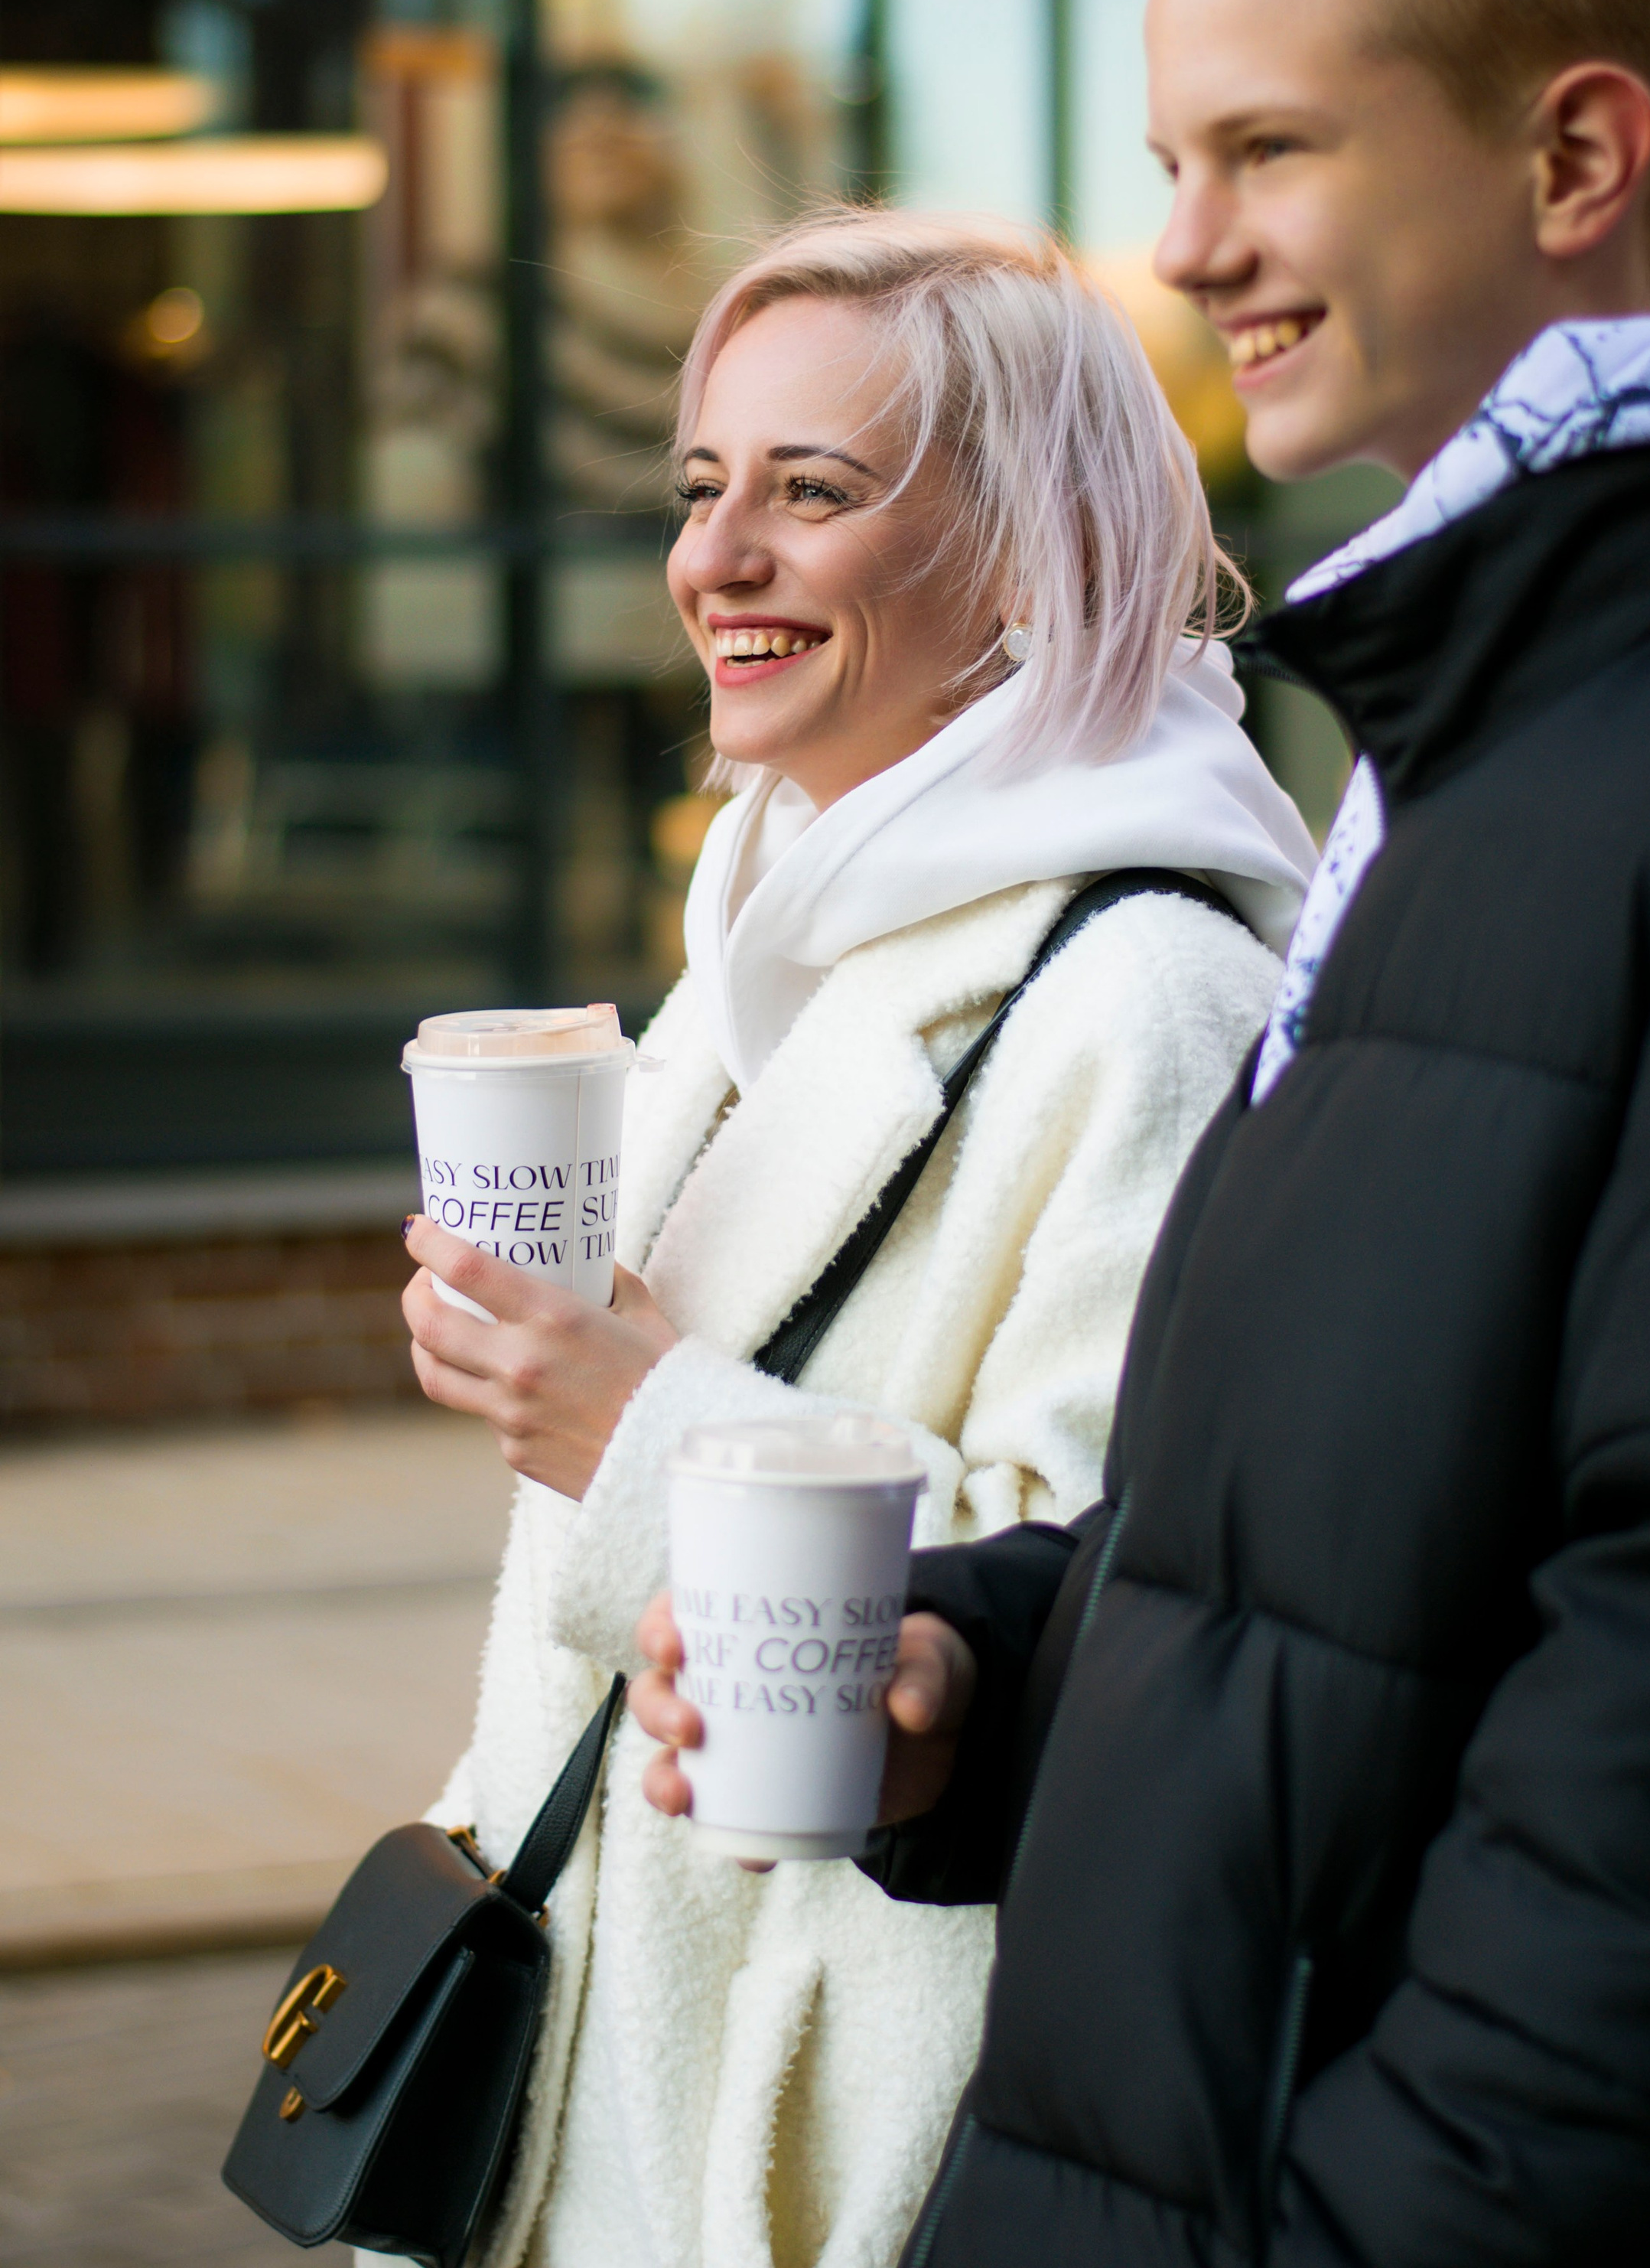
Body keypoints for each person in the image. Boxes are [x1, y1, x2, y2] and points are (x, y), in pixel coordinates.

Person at [630, 0, 1650, 2265]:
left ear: (1577, 158)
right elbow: (1347, 1546)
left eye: (1274, 152)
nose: (1197, 247)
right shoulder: (1472, 742)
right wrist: (983, 1680)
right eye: (1173, 166)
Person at [394, 208, 1316, 2268]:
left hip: (848, 2098)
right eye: (704, 486)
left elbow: (1124, 1601)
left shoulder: (1144, 998)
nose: (715, 558)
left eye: (812, 494)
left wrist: (638, 1435)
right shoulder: (777, 931)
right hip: (611, 2035)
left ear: (1025, 550)